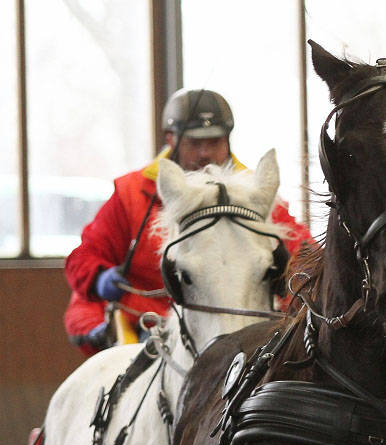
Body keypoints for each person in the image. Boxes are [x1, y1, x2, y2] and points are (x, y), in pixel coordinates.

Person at [64, 88, 312, 355]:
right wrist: (100, 277)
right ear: (171, 139)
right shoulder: (131, 193)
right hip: (147, 325)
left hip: (240, 326)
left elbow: (306, 254)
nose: (205, 153)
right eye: (194, 143)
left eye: (215, 141)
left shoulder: (254, 193)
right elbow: (84, 257)